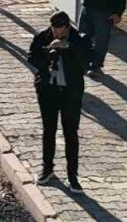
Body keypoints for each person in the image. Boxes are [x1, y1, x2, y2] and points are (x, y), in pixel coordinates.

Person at [28, 10, 91, 194]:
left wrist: (68, 47)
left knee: (71, 133)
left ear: (67, 27)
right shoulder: (42, 37)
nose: (57, 34)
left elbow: (88, 60)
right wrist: (47, 56)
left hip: (70, 93)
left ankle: (73, 176)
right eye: (55, 31)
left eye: (61, 32)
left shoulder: (80, 39)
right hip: (48, 91)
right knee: (49, 130)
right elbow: (32, 58)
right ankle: (47, 170)